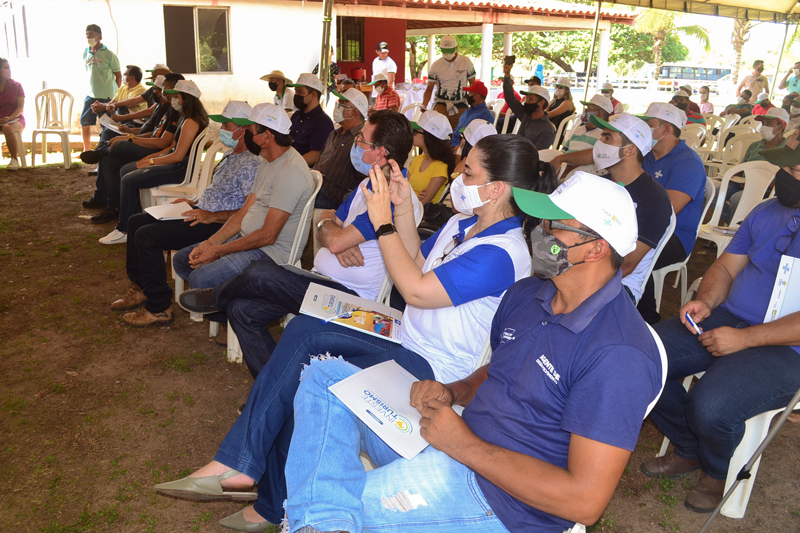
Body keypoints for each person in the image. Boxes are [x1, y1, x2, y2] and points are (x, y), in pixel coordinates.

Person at [154, 134, 558, 531]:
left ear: (496, 188)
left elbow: (415, 289)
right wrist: (400, 210)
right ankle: (264, 496)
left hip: (435, 366)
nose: (458, 174)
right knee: (306, 353)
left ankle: (244, 471)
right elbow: (417, 259)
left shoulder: (502, 253)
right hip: (406, 337)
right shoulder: (461, 224)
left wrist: (381, 222)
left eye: (467, 171)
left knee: (309, 337)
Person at [280, 172, 663, 533]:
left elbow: (584, 502)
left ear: (595, 248)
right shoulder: (529, 294)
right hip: (452, 440)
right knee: (324, 378)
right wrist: (454, 391)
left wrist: (464, 445)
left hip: (503, 502)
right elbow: (499, 371)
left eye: (554, 225)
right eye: (541, 221)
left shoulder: (619, 353)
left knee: (337, 509)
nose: (539, 233)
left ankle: (321, 518)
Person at [177, 109, 423, 375]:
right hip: (322, 283)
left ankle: (214, 297)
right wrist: (328, 229)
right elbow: (326, 225)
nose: (355, 144)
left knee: (260, 272)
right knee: (241, 310)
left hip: (350, 298)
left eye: (361, 140)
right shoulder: (368, 186)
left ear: (380, 152)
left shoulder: (392, 197)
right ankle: (274, 385)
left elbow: (337, 239)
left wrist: (335, 236)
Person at [641, 137, 800, 513]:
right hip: (730, 317)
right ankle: (691, 446)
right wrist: (706, 300)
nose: (785, 178)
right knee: (640, 354)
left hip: (789, 346)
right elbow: (727, 266)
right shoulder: (766, 211)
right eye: (786, 169)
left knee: (711, 407)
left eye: (795, 171)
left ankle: (716, 470)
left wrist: (745, 339)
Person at [111, 101, 262, 327]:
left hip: (217, 224)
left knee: (147, 236)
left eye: (228, 126)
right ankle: (143, 286)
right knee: (135, 222)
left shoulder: (251, 163)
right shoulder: (232, 154)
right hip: (200, 213)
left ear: (243, 130)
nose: (223, 131)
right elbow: (220, 193)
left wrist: (210, 216)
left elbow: (247, 211)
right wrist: (193, 202)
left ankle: (159, 307)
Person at [171, 103, 315, 291]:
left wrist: (217, 251)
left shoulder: (290, 172)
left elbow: (268, 235)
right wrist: (211, 243)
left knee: (201, 278)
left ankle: (229, 305)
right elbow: (244, 211)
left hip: (269, 252)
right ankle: (223, 298)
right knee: (183, 260)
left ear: (267, 136)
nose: (246, 135)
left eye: (250, 130)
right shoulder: (268, 160)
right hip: (249, 238)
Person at [549, 113, 673, 305]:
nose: (599, 143)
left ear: (630, 150)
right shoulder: (598, 184)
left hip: (618, 286)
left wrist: (571, 278)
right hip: (574, 269)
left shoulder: (654, 200)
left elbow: (628, 264)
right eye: (601, 137)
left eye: (607, 138)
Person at [98, 79, 209, 245]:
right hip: (173, 164)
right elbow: (170, 147)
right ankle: (131, 222)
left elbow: (178, 156)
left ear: (186, 99)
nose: (173, 100)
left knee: (129, 179)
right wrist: (150, 158)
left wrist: (150, 163)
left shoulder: (191, 122)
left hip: (179, 170)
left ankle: (124, 229)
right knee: (128, 173)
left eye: (176, 96)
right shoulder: (184, 119)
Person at [637, 103, 707, 324]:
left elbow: (666, 212)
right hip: (641, 225)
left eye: (649, 125)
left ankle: (647, 320)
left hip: (675, 236)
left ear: (665, 129)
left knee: (633, 252)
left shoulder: (688, 162)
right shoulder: (645, 155)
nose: (643, 130)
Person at [86, 73, 184, 223]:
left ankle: (101, 151)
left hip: (156, 151)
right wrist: (130, 133)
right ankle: (113, 207)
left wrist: (130, 138)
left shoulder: (177, 112)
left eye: (163, 89)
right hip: (151, 144)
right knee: (108, 160)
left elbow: (162, 143)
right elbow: (155, 132)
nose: (157, 92)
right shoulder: (167, 108)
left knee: (119, 145)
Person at [721, 107, 790, 226]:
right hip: (742, 183)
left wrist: (759, 184)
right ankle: (740, 225)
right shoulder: (754, 146)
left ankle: (735, 231)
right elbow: (740, 168)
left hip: (766, 189)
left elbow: (785, 178)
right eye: (763, 123)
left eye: (769, 123)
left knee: (737, 199)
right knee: (714, 192)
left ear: (781, 126)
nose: (764, 126)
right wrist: (734, 178)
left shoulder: (787, 150)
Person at [312, 88, 369, 209]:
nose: (336, 108)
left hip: (333, 196)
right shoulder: (334, 134)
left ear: (354, 113)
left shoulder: (362, 139)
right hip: (314, 185)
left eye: (341, 105)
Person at [422, 35, 476, 130]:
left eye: (449, 50)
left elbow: (474, 85)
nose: (447, 53)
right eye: (444, 50)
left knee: (460, 132)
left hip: (461, 103)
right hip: (441, 104)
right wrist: (424, 105)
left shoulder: (465, 62)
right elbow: (429, 88)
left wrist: (475, 104)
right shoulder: (436, 65)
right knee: (439, 131)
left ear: (456, 48)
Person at [81, 24, 121, 152]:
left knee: (107, 124)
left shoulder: (108, 54)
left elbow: (118, 76)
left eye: (91, 34)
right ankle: (87, 151)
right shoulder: (86, 52)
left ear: (100, 37)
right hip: (91, 94)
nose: (89, 37)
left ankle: (103, 149)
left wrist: (115, 96)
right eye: (87, 34)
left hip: (107, 95)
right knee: (85, 122)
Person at [502, 61, 555, 150]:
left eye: (530, 99)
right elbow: (510, 98)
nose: (527, 102)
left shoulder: (547, 129)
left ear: (541, 102)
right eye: (527, 99)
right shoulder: (526, 115)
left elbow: (536, 154)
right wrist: (507, 75)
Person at [285, 73, 334, 166]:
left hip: (305, 171)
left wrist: (289, 165)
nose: (296, 96)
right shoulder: (296, 115)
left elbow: (315, 155)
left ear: (313, 95)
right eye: (296, 92)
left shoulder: (323, 121)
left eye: (300, 92)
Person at [408, 110, 455, 204]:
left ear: (428, 137)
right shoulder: (418, 159)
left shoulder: (441, 167)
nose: (412, 134)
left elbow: (423, 202)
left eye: (415, 131)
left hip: (421, 215)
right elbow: (403, 187)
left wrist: (409, 197)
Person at [450, 80, 494, 148]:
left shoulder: (485, 115)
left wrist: (461, 148)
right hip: (453, 144)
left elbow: (481, 141)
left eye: (470, 93)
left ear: (476, 96)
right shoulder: (467, 111)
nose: (468, 95)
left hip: (463, 150)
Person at [0, 58, 25, 170]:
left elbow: (20, 108)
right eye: (5, 68)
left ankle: (14, 159)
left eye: (8, 68)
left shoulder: (16, 86)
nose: (8, 70)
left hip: (16, 119)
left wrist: (9, 118)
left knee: (7, 128)